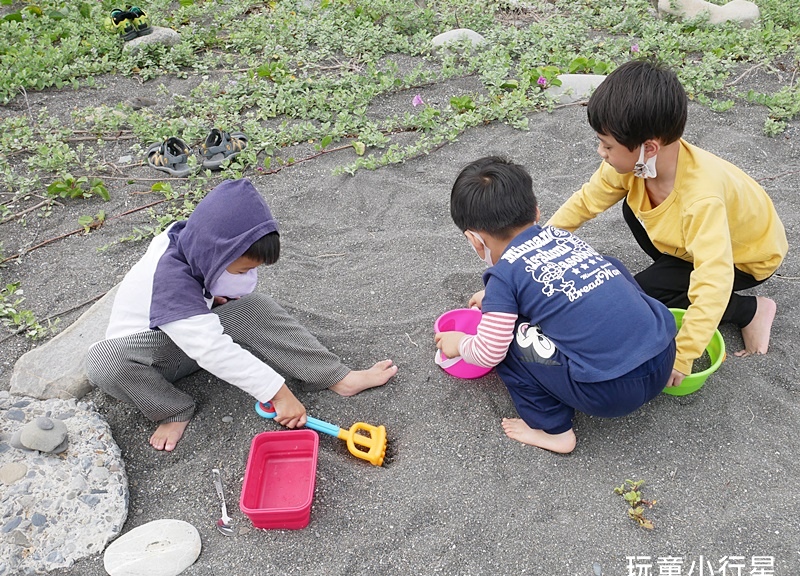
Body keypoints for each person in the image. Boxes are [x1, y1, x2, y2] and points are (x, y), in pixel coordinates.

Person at [87, 178, 397, 452]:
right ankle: (172, 410)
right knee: (105, 362)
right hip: (152, 360)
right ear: (215, 254)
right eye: (244, 269)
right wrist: (278, 393)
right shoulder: (171, 283)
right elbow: (211, 349)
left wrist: (211, 298)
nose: (247, 276)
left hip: (189, 332)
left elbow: (204, 300)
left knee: (254, 306)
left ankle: (335, 376)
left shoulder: (193, 239)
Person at [548, 60, 788, 386]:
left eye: (607, 145)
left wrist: (684, 352)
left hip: (745, 258)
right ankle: (674, 272)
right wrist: (536, 248)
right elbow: (584, 203)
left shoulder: (701, 199)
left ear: (649, 148)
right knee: (632, 206)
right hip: (692, 239)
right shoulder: (639, 165)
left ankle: (751, 310)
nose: (600, 152)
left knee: (644, 298)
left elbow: (713, 278)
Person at [435, 156, 676, 454]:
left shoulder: (503, 275)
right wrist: (497, 299)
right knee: (608, 268)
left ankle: (554, 431)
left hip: (611, 392)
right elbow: (558, 285)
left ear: (474, 239)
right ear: (536, 212)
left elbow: (488, 352)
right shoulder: (563, 237)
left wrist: (459, 344)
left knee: (508, 341)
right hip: (664, 357)